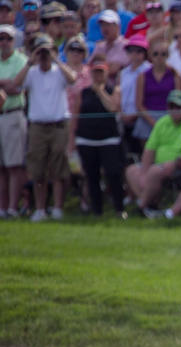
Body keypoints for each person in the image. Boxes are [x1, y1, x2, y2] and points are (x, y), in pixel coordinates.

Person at [14, 33, 77, 221]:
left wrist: (56, 58)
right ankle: (40, 209)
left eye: (46, 51)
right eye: (40, 51)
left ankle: (57, 207)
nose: (43, 55)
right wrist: (29, 61)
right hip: (38, 127)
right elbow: (17, 85)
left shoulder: (59, 71)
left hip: (58, 125)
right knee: (38, 170)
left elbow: (73, 79)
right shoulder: (31, 73)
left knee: (58, 170)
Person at [125, 88, 181, 216]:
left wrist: (176, 162)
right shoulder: (162, 122)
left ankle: (141, 207)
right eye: (171, 106)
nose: (175, 109)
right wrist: (143, 174)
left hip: (180, 166)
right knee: (131, 171)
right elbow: (150, 149)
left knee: (154, 171)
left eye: (178, 106)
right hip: (157, 165)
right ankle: (151, 205)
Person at [74, 58, 126, 217]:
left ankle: (119, 209)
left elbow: (113, 108)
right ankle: (97, 211)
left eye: (101, 72)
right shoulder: (83, 93)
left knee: (113, 174)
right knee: (92, 176)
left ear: (106, 73)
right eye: (95, 72)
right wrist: (72, 140)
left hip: (108, 139)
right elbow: (76, 116)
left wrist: (100, 91)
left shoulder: (113, 90)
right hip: (86, 139)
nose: (98, 76)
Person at [0, 24, 28, 218]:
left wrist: (8, 84)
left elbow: (17, 88)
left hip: (13, 112)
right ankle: (2, 208)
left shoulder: (21, 60)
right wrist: (7, 83)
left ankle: (12, 208)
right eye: (1, 39)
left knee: (14, 165)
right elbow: (9, 85)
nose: (4, 42)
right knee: (1, 166)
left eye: (8, 39)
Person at [135, 38, 181, 142]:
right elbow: (139, 104)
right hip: (147, 119)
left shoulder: (175, 75)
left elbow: (178, 101)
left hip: (169, 117)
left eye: (163, 54)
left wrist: (168, 121)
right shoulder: (143, 76)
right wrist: (153, 122)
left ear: (168, 56)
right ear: (150, 56)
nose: (159, 57)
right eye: (156, 54)